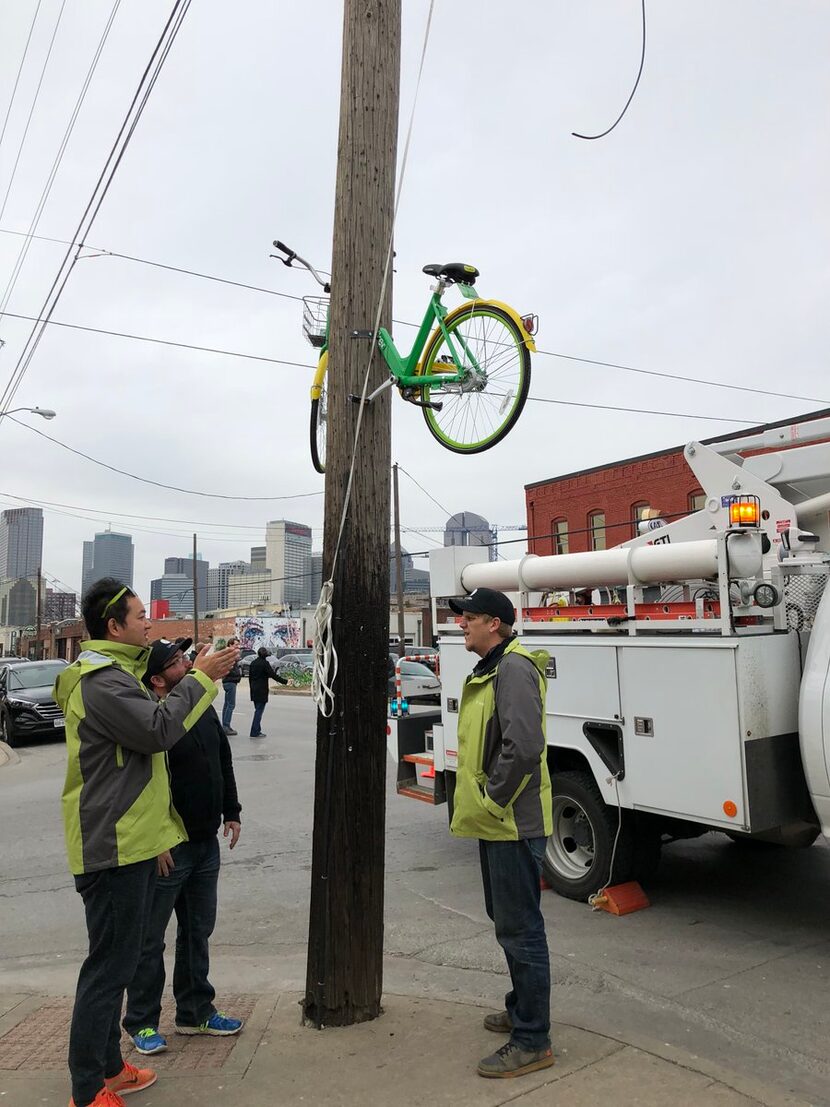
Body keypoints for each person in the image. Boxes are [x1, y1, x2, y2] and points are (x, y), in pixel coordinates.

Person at [54, 578, 238, 1107]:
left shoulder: (120, 676)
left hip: (132, 842)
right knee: (108, 971)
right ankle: (88, 1090)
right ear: (114, 626)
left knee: (119, 960)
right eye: (139, 617)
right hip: (111, 847)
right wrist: (200, 678)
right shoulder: (101, 683)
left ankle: (110, 1069)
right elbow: (157, 730)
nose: (149, 623)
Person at [447, 587, 553, 1080]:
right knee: (506, 920)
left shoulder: (513, 667)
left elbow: (524, 745)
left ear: (494, 623)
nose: (461, 624)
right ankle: (519, 1008)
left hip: (511, 822)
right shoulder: (493, 666)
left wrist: (493, 800)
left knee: (520, 928)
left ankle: (532, 1040)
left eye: (469, 617)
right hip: (497, 823)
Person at [124, 638, 244, 1054]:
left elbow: (220, 759)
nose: (187, 663)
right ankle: (140, 1021)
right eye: (176, 662)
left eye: (183, 657)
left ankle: (195, 1012)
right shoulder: (154, 721)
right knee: (150, 939)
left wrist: (232, 809)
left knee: (197, 931)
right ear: (157, 680)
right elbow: (141, 787)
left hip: (204, 842)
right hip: (168, 848)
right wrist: (155, 840)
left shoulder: (202, 707)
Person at [247, 646, 286, 738]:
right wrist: (285, 681)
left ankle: (257, 730)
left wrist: (251, 688)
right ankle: (254, 731)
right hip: (262, 690)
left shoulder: (253, 663)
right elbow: (273, 675)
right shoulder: (265, 663)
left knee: (257, 709)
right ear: (265, 655)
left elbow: (250, 677)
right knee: (259, 711)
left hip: (254, 689)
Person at [221, 637, 242, 735]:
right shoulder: (229, 656)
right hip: (230, 682)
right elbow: (228, 670)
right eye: (235, 644)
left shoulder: (232, 656)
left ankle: (225, 725)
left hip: (230, 681)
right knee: (231, 705)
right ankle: (226, 726)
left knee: (227, 704)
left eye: (238, 644)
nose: (238, 646)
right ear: (230, 645)